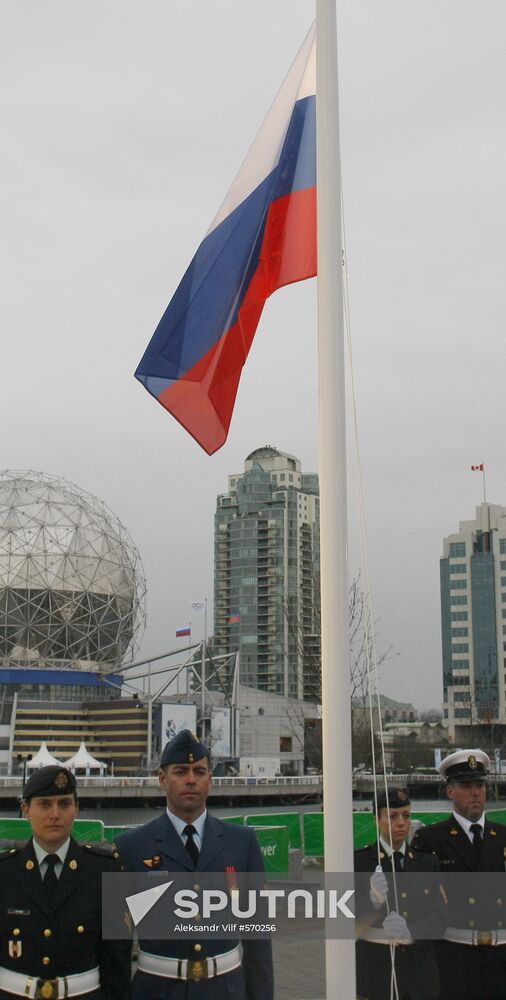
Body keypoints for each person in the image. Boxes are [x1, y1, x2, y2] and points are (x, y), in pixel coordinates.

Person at [115, 729, 274, 1000]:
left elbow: (258, 942)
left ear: (210, 780)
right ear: (162, 779)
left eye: (199, 772)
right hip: (157, 991)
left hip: (226, 990)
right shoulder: (131, 847)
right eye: (180, 772)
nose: (191, 780)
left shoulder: (242, 843)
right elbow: (116, 949)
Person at [0, 765, 132, 1000]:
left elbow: (117, 964)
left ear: (76, 809)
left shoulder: (105, 870)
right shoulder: (4, 871)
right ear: (25, 809)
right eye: (44, 804)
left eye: (64, 804)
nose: (55, 814)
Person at [411, 748, 506, 1000]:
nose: (475, 792)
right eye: (466, 785)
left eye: (479, 785)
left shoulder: (503, 836)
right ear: (450, 791)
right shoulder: (431, 839)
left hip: (500, 961)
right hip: (453, 960)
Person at [354, 787, 446, 1000]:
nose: (401, 822)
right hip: (376, 978)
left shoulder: (427, 862)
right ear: (377, 819)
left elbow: (439, 918)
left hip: (419, 978)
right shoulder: (360, 863)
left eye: (406, 815)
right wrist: (371, 901)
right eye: (392, 816)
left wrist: (410, 932)